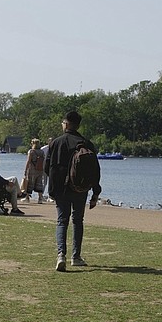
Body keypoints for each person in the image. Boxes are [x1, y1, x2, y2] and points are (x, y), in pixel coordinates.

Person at [47, 111, 101, 272]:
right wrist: (95, 193)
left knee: (62, 220)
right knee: (78, 220)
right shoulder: (86, 143)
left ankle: (61, 255)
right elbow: (95, 171)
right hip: (80, 188)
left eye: (63, 122)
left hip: (61, 189)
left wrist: (51, 190)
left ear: (67, 124)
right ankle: (76, 256)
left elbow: (47, 168)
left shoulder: (56, 143)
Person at [21, 138, 46, 203]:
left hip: (32, 169)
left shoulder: (31, 151)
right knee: (39, 183)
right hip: (40, 169)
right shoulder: (42, 152)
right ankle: (40, 198)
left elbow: (28, 161)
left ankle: (27, 198)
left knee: (29, 183)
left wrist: (25, 170)